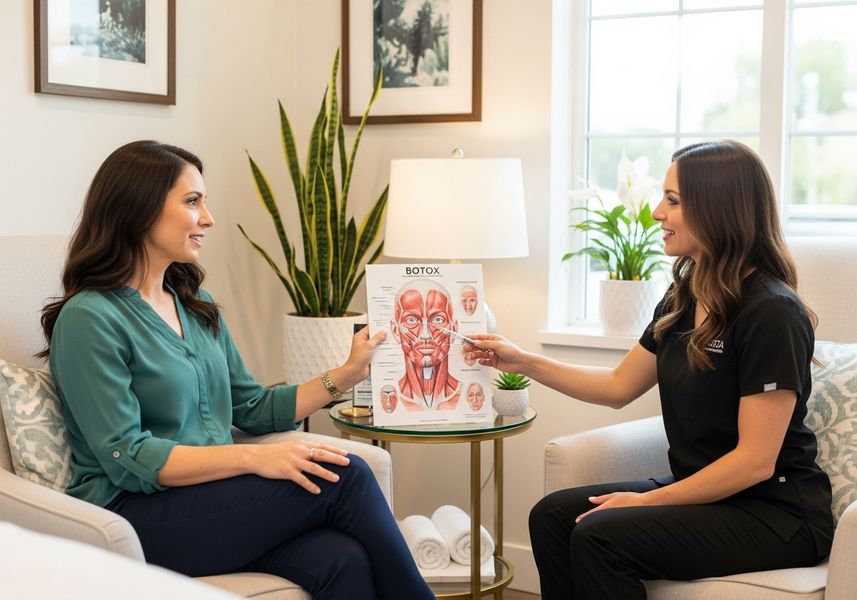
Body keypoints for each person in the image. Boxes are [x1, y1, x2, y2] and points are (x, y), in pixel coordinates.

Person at [40, 141, 434, 600]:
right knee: (346, 476)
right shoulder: (90, 317)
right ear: (140, 209)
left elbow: (251, 407)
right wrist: (254, 458)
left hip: (213, 500)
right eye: (192, 201)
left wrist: (346, 374)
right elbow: (128, 455)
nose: (208, 217)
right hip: (136, 515)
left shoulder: (195, 305)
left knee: (342, 558)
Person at [464, 140, 834, 599]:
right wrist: (522, 360)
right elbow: (618, 386)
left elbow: (754, 462)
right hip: (711, 495)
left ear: (718, 209)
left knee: (600, 536)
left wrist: (644, 502)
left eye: (673, 200)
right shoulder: (684, 297)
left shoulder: (771, 312)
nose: (657, 212)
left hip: (776, 513)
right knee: (553, 516)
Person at [389, 279, 461, 411]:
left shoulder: (467, 395)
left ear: (454, 329)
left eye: (438, 319)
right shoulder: (389, 397)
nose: (425, 334)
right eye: (411, 320)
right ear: (395, 331)